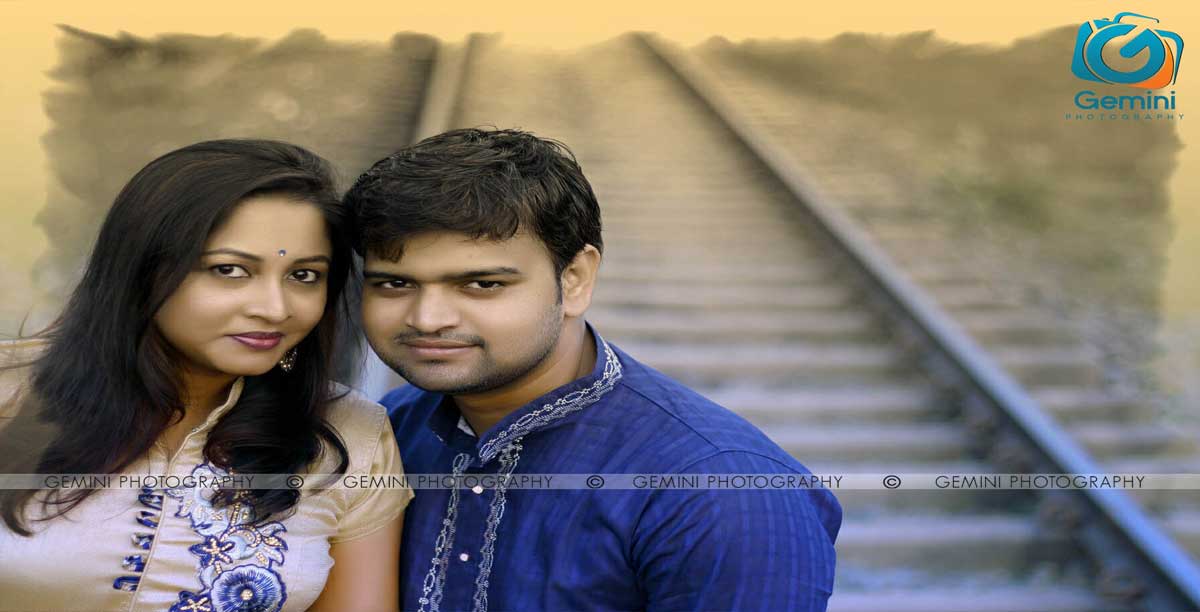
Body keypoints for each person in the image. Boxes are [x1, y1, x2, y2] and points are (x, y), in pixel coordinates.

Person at [345, 127, 842, 611]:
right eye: (394, 284)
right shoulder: (390, 429)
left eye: (482, 284)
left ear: (576, 279)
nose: (427, 319)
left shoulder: (721, 492)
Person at [0, 139, 411, 612]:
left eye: (303, 276)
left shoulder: (353, 437)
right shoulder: (11, 394)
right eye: (230, 269)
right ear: (143, 270)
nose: (274, 308)